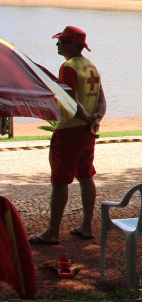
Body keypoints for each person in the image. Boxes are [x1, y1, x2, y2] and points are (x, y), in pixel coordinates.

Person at [30, 26, 106, 245]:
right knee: (85, 176)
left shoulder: (68, 67)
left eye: (61, 42)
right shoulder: (91, 67)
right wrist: (96, 120)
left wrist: (87, 119)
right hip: (87, 132)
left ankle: (52, 232)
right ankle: (86, 226)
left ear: (73, 45)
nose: (58, 45)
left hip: (70, 130)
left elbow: (72, 102)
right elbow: (102, 100)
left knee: (60, 181)